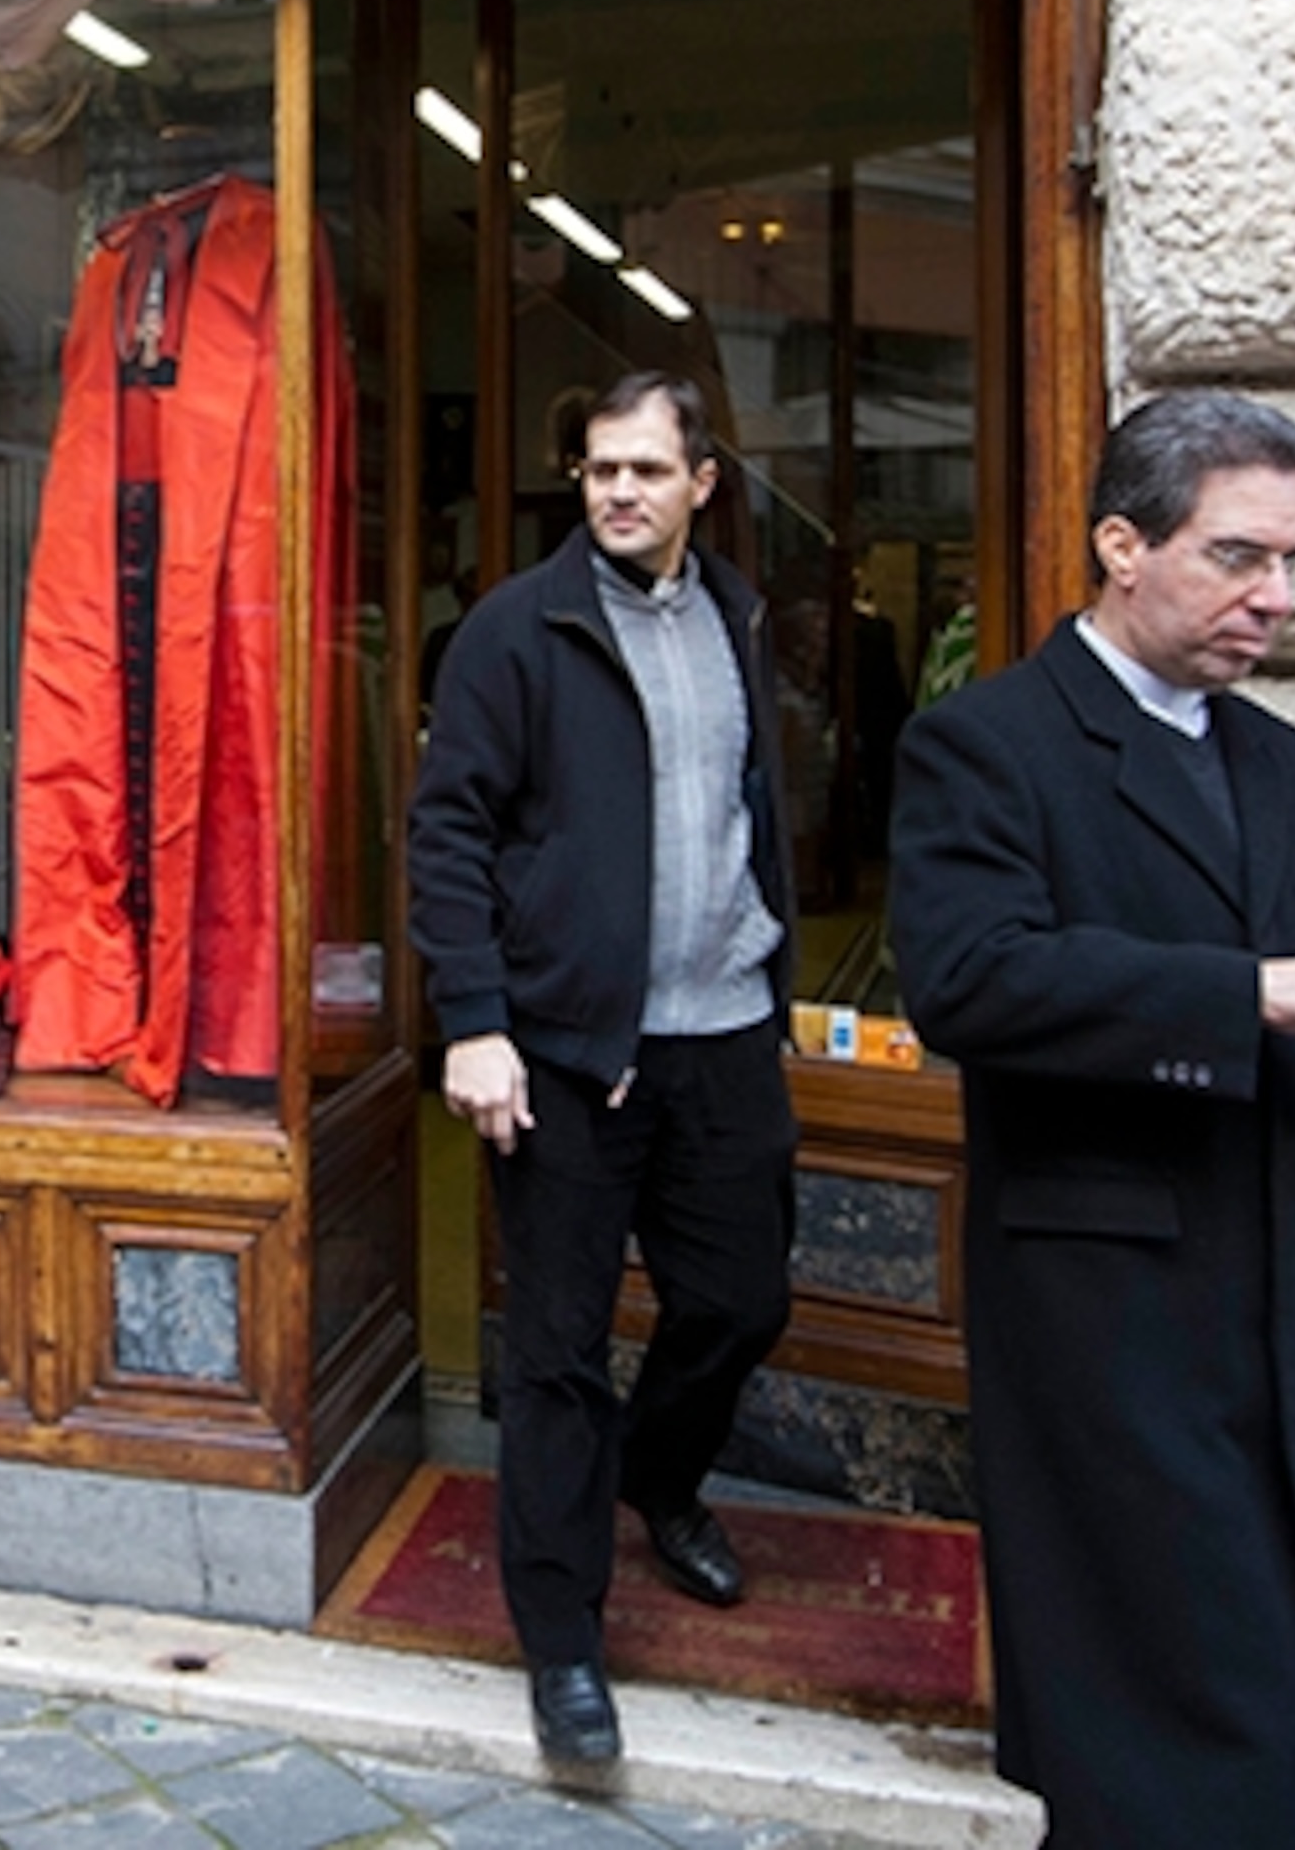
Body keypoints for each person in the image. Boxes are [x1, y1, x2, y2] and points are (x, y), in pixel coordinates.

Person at [887, 389, 1295, 1850]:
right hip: (1101, 1287)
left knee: (1257, 1644)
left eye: (1293, 563)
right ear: (1122, 545)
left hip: (1261, 1261)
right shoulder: (987, 742)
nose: (1274, 598)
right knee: (1160, 1678)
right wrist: (1252, 996)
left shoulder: (1270, 752)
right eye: (1238, 557)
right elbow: (972, 981)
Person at [407, 370, 799, 1771]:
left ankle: (663, 1476)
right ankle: (563, 1640)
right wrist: (476, 1018)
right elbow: (446, 835)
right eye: (597, 469)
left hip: (726, 1033)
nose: (619, 491)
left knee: (743, 1298)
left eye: (646, 468)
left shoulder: (742, 616)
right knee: (558, 1356)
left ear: (704, 481)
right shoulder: (516, 633)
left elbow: (742, 807)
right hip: (567, 1058)